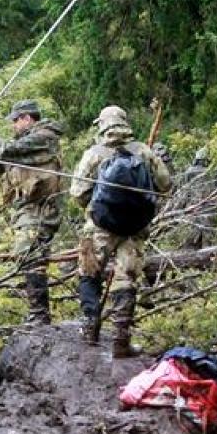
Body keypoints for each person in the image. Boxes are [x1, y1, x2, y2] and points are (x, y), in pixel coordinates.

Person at [69, 105, 173, 358]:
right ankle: (120, 341)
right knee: (126, 278)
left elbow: (77, 192)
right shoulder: (143, 151)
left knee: (89, 272)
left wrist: (96, 207)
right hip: (134, 228)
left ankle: (90, 329)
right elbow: (165, 185)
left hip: (100, 226)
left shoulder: (94, 153)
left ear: (102, 125)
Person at [0, 100, 64, 324]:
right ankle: (37, 312)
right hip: (27, 209)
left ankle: (39, 314)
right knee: (28, 255)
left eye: (15, 121)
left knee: (29, 254)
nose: (13, 126)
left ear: (27, 118)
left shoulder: (44, 137)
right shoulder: (26, 143)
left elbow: (4, 150)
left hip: (42, 209)